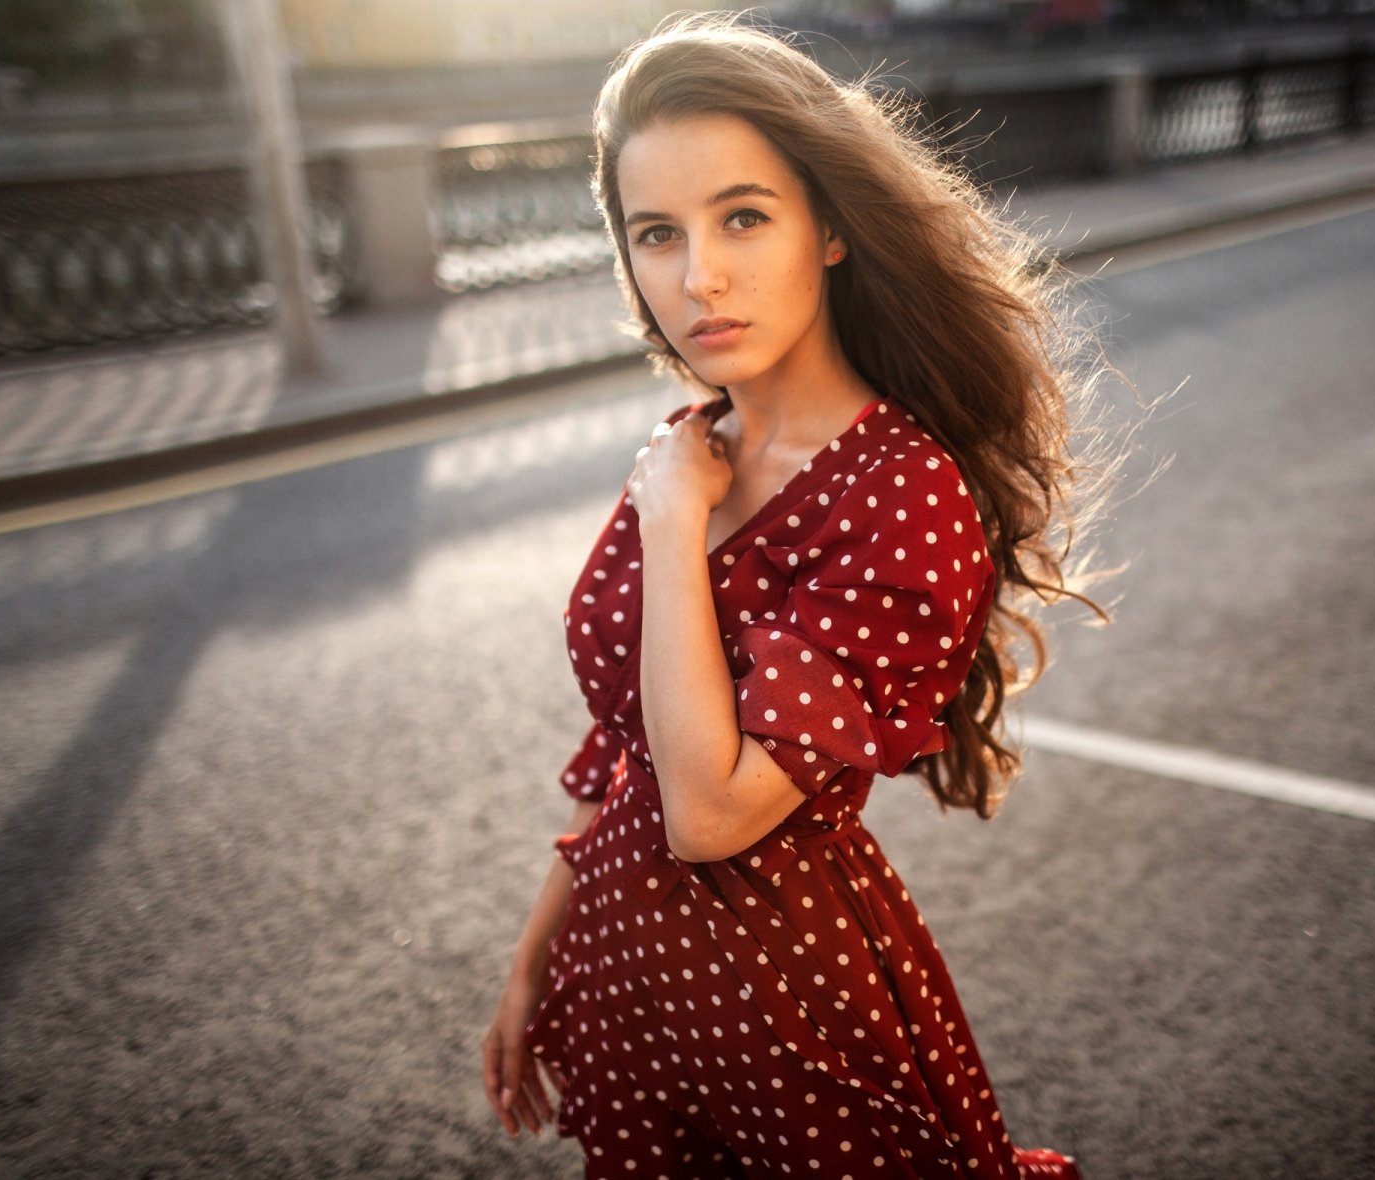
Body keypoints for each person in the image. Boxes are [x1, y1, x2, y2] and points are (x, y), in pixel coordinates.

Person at [481, 13, 1120, 1177]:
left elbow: (709, 813)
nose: (698, 276)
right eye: (657, 233)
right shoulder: (691, 445)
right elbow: (628, 756)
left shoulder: (900, 493)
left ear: (828, 227)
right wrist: (534, 962)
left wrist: (671, 524)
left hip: (785, 1017)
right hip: (633, 996)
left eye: (742, 217)